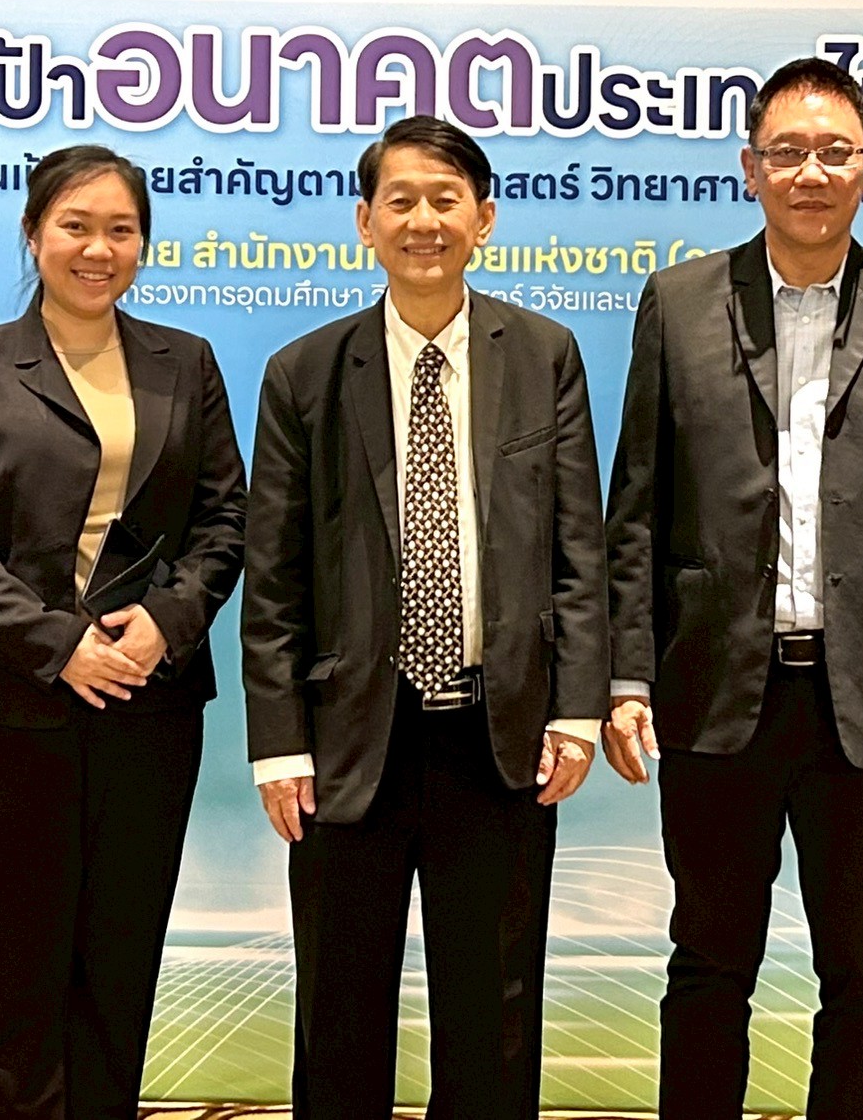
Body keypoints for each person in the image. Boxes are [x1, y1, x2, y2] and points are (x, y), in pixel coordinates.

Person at [601, 57, 863, 1120]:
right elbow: (634, 506)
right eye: (787, 152)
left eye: (833, 152)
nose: (810, 172)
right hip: (713, 689)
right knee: (707, 963)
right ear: (751, 168)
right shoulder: (680, 302)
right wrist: (626, 675)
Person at [242, 115, 608, 1120]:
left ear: (483, 219)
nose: (424, 221)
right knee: (339, 1011)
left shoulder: (544, 355)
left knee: (494, 1015)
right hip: (348, 740)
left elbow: (580, 550)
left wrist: (576, 709)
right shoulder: (305, 373)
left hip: (500, 737)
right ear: (365, 221)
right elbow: (273, 579)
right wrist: (280, 746)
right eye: (400, 200)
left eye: (446, 200)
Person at [0, 145, 247, 1120]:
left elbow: (225, 519)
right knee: (12, 971)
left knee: (119, 963)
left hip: (148, 707)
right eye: (76, 226)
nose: (99, 249)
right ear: (33, 233)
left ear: (143, 243)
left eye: (121, 230)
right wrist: (60, 645)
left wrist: (167, 623)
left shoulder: (186, 362)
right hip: (7, 710)